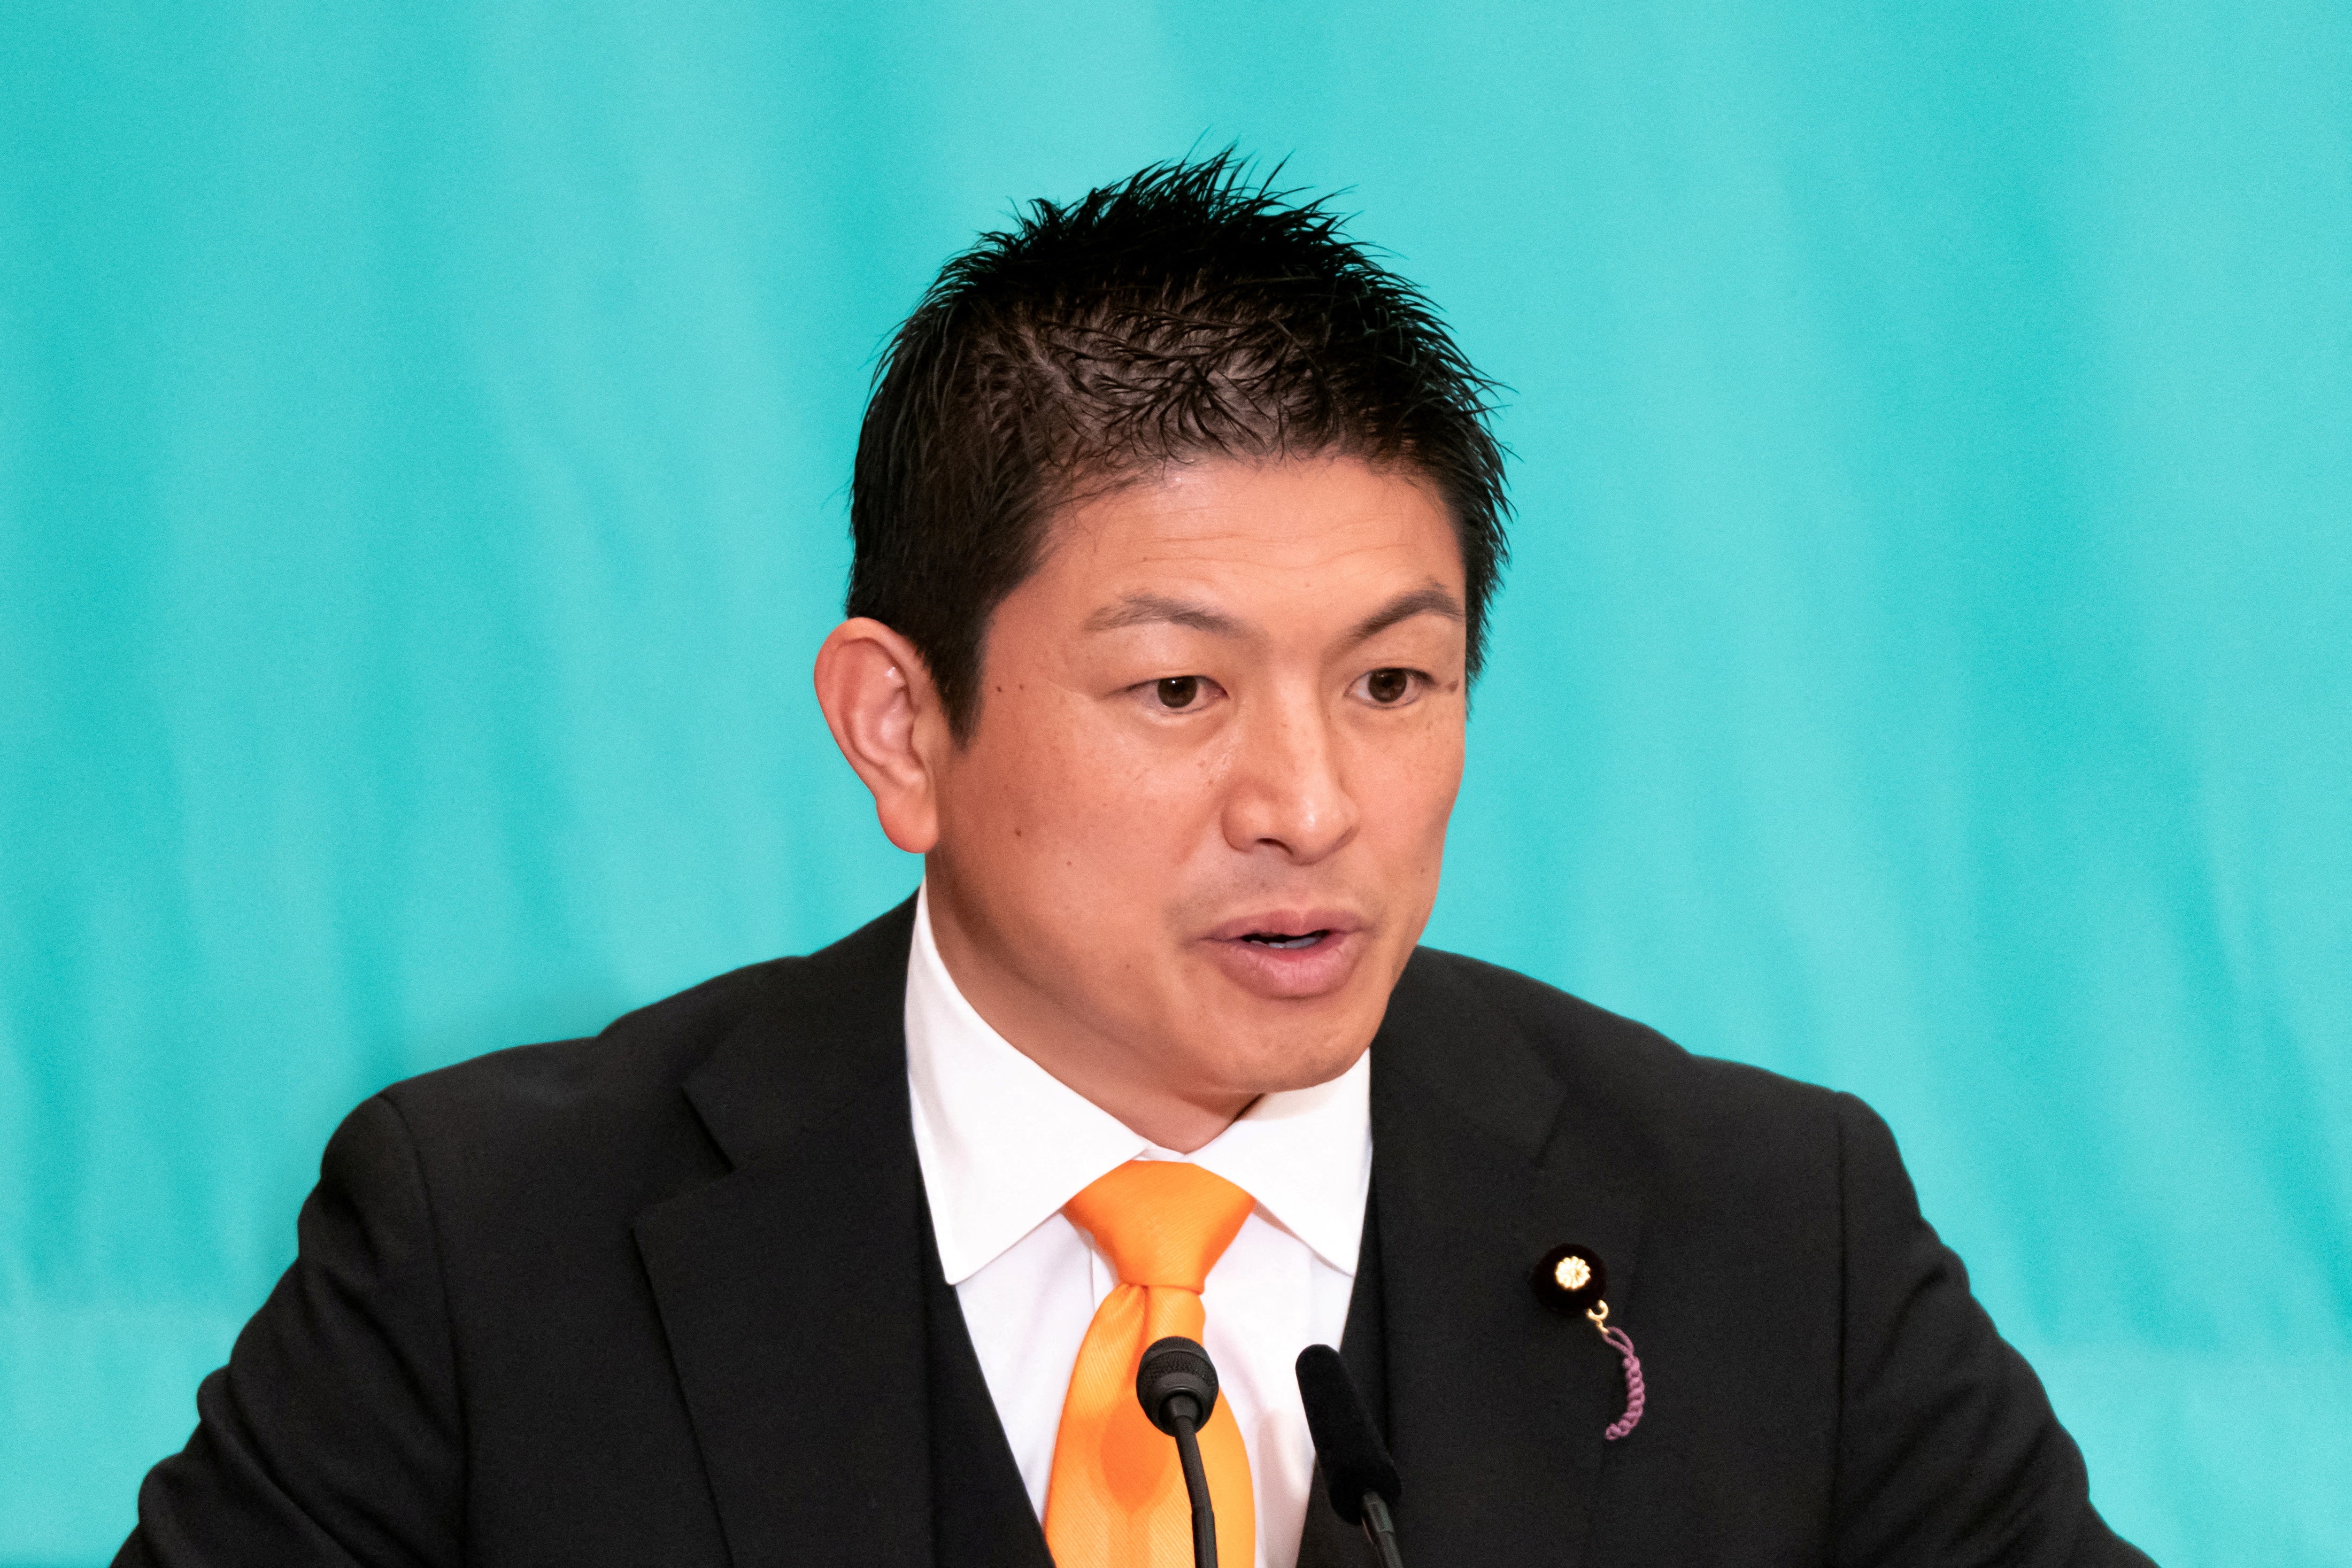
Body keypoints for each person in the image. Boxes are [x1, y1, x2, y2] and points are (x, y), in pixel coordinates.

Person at [117, 156, 2153, 1568]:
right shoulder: (489, 1251)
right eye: (1180, 690)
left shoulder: (1767, 1236)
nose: (1309, 804)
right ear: (900, 730)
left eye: (1394, 681)